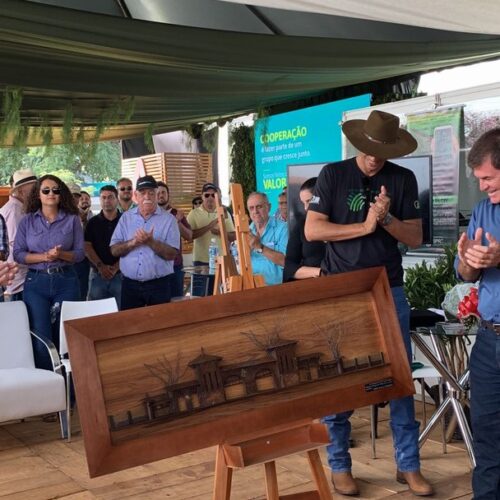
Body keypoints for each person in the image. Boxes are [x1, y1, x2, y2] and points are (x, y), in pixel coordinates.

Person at [305, 110, 433, 496]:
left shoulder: (403, 178)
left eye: (382, 150)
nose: (374, 157)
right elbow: (313, 230)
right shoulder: (333, 174)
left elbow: (415, 237)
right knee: (341, 377)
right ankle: (340, 464)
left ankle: (408, 465)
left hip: (387, 287)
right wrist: (363, 226)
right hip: (340, 289)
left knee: (398, 378)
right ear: (358, 143)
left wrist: (386, 217)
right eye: (368, 148)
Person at [455, 127, 500, 500]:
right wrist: (470, 261)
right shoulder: (484, 211)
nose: (483, 186)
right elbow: (467, 273)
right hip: (488, 339)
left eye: (487, 178)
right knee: (485, 432)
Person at [13, 174, 84, 371]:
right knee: (40, 336)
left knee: (66, 334)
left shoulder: (72, 220)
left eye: (55, 190)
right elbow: (18, 254)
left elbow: (80, 254)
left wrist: (61, 254)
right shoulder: (27, 221)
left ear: (61, 194)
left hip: (66, 280)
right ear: (38, 195)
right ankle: (48, 385)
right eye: (46, 190)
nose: (51, 194)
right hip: (36, 283)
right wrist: (44, 257)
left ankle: (70, 387)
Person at [110, 175, 179, 310]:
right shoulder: (126, 218)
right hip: (130, 286)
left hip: (159, 286)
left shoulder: (169, 220)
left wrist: (151, 242)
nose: (147, 196)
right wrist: (133, 242)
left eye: (151, 193)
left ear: (156, 195)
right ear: (136, 196)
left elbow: (172, 254)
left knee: (159, 327)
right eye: (142, 193)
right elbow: (114, 250)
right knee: (131, 327)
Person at [187, 182, 235, 296]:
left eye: (213, 195)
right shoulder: (193, 214)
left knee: (220, 295)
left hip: (221, 261)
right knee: (199, 297)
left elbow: (233, 236)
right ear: (202, 196)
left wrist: (219, 232)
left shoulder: (224, 212)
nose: (210, 198)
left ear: (217, 197)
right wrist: (209, 226)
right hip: (200, 262)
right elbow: (189, 236)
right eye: (207, 195)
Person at [0, 168, 37, 301]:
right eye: (33, 189)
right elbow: (16, 247)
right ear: (21, 191)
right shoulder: (13, 212)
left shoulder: (21, 210)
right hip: (18, 281)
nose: (37, 193)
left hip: (22, 278)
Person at [84, 185, 122, 308]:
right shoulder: (92, 222)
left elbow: (132, 247)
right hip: (97, 274)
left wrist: (117, 267)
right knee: (96, 314)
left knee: (122, 314)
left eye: (110, 197)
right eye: (103, 197)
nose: (107, 201)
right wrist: (100, 266)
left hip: (121, 274)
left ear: (117, 199)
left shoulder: (126, 220)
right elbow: (87, 247)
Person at [283, 178, 325, 282]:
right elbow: (289, 267)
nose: (306, 208)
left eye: (309, 201)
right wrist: (320, 272)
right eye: (303, 203)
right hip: (311, 286)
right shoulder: (301, 225)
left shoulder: (343, 220)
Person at [157, 181, 192, 297]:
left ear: (168, 195)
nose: (160, 195)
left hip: (175, 266)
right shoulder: (149, 215)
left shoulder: (177, 214)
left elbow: (189, 236)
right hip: (156, 266)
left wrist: (177, 222)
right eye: (157, 193)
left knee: (177, 302)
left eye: (163, 192)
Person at [247, 192, 288, 285]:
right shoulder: (247, 231)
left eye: (259, 207)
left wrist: (260, 247)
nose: (255, 211)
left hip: (275, 288)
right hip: (251, 287)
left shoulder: (283, 228)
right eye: (251, 208)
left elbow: (286, 262)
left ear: (269, 207)